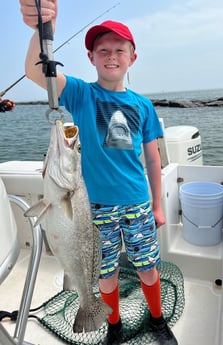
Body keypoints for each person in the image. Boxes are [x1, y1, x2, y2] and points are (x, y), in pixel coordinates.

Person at [20, 1, 178, 344]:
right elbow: (36, 72)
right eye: (102, 49)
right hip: (95, 209)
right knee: (105, 275)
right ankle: (114, 325)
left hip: (137, 202)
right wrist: (41, 29)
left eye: (119, 49)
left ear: (132, 58)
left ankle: (157, 320)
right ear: (91, 57)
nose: (111, 55)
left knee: (147, 267)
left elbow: (153, 160)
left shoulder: (143, 105)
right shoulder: (81, 94)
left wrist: (157, 205)